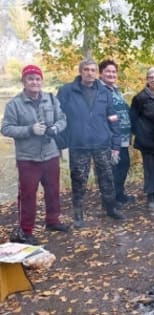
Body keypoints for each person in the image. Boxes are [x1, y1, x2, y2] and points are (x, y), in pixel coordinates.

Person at [1, 65, 69, 245]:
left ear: (42, 81)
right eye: (30, 79)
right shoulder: (14, 104)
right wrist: (30, 130)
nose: (35, 82)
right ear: (23, 81)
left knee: (53, 190)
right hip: (27, 158)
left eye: (37, 79)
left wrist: (55, 128)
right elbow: (6, 128)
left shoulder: (51, 99)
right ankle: (25, 230)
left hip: (51, 153)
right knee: (28, 195)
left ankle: (53, 221)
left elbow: (63, 119)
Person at [57, 59, 125, 228]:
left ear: (97, 73)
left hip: (102, 143)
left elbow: (113, 118)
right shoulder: (67, 91)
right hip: (78, 144)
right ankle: (78, 213)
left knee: (107, 178)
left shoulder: (104, 91)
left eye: (93, 70)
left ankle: (110, 208)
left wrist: (116, 144)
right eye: (86, 69)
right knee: (79, 180)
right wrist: (60, 142)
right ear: (81, 71)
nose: (90, 73)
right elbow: (57, 117)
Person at [130, 67, 154, 210]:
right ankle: (151, 195)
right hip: (147, 139)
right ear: (147, 79)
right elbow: (132, 119)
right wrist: (140, 133)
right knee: (150, 168)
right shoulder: (140, 98)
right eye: (151, 77)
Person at [99, 60, 135, 206]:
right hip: (110, 138)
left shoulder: (115, 89)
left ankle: (119, 194)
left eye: (114, 72)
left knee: (123, 165)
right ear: (101, 73)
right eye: (108, 71)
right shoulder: (99, 91)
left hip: (123, 137)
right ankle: (110, 200)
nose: (111, 74)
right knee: (111, 169)